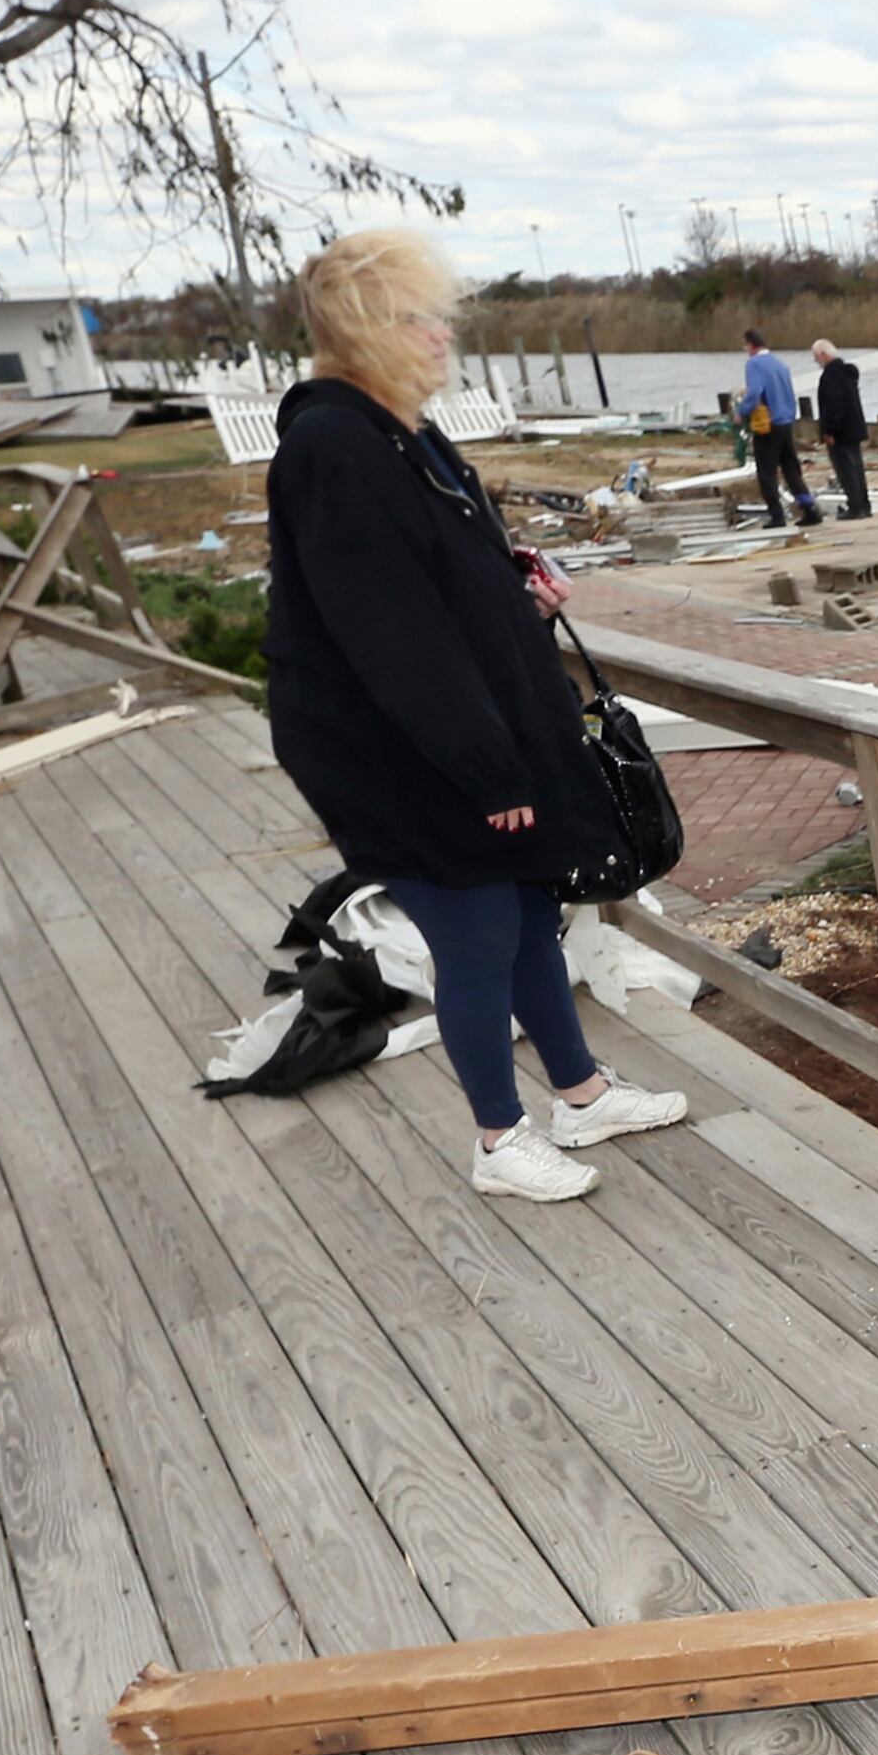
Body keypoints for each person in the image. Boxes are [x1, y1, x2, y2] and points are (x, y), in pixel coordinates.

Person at [264, 224, 687, 1207]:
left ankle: (578, 1094)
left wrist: (516, 589)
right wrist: (487, 770)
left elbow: (439, 578)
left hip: (464, 740)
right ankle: (499, 1140)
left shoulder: (402, 432)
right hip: (401, 756)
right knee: (477, 933)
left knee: (531, 911)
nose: (443, 336)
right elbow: (389, 633)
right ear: (370, 328)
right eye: (422, 320)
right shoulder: (334, 446)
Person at [737, 328, 819, 525]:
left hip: (767, 423)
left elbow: (755, 391)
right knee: (791, 469)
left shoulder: (754, 364)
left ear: (750, 344)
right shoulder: (780, 364)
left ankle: (777, 515)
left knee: (766, 472)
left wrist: (742, 411)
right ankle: (809, 509)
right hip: (785, 421)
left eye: (745, 345)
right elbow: (790, 393)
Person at [811, 336, 872, 518]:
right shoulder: (847, 373)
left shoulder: (831, 376)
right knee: (857, 468)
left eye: (816, 357)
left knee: (846, 470)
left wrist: (830, 430)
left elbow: (834, 405)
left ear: (823, 354)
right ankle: (863, 504)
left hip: (841, 431)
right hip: (854, 427)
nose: (815, 361)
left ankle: (855, 507)